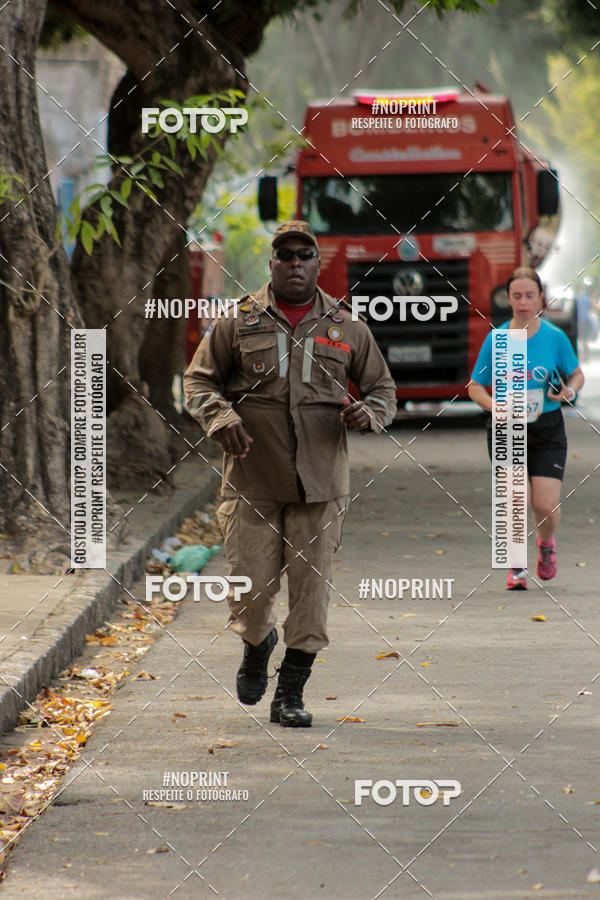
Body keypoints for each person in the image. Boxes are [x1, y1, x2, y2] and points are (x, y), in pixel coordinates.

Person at [183, 220, 396, 726]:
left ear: (318, 264)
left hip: (321, 487)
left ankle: (291, 694)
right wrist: (222, 418)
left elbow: (383, 390)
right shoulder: (239, 323)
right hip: (253, 482)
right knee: (252, 596)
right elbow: (196, 382)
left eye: (306, 256)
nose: (296, 264)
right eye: (286, 256)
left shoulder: (347, 328)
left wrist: (370, 413)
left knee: (311, 596)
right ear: (272, 264)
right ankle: (257, 648)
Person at [468, 267, 584, 590]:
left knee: (544, 505)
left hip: (546, 428)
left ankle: (546, 545)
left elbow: (576, 374)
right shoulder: (499, 339)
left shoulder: (554, 338)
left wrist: (569, 391)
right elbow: (475, 386)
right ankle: (516, 567)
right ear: (508, 299)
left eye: (529, 296)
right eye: (517, 296)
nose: (523, 302)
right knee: (516, 500)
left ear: (541, 298)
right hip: (507, 428)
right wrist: (494, 406)